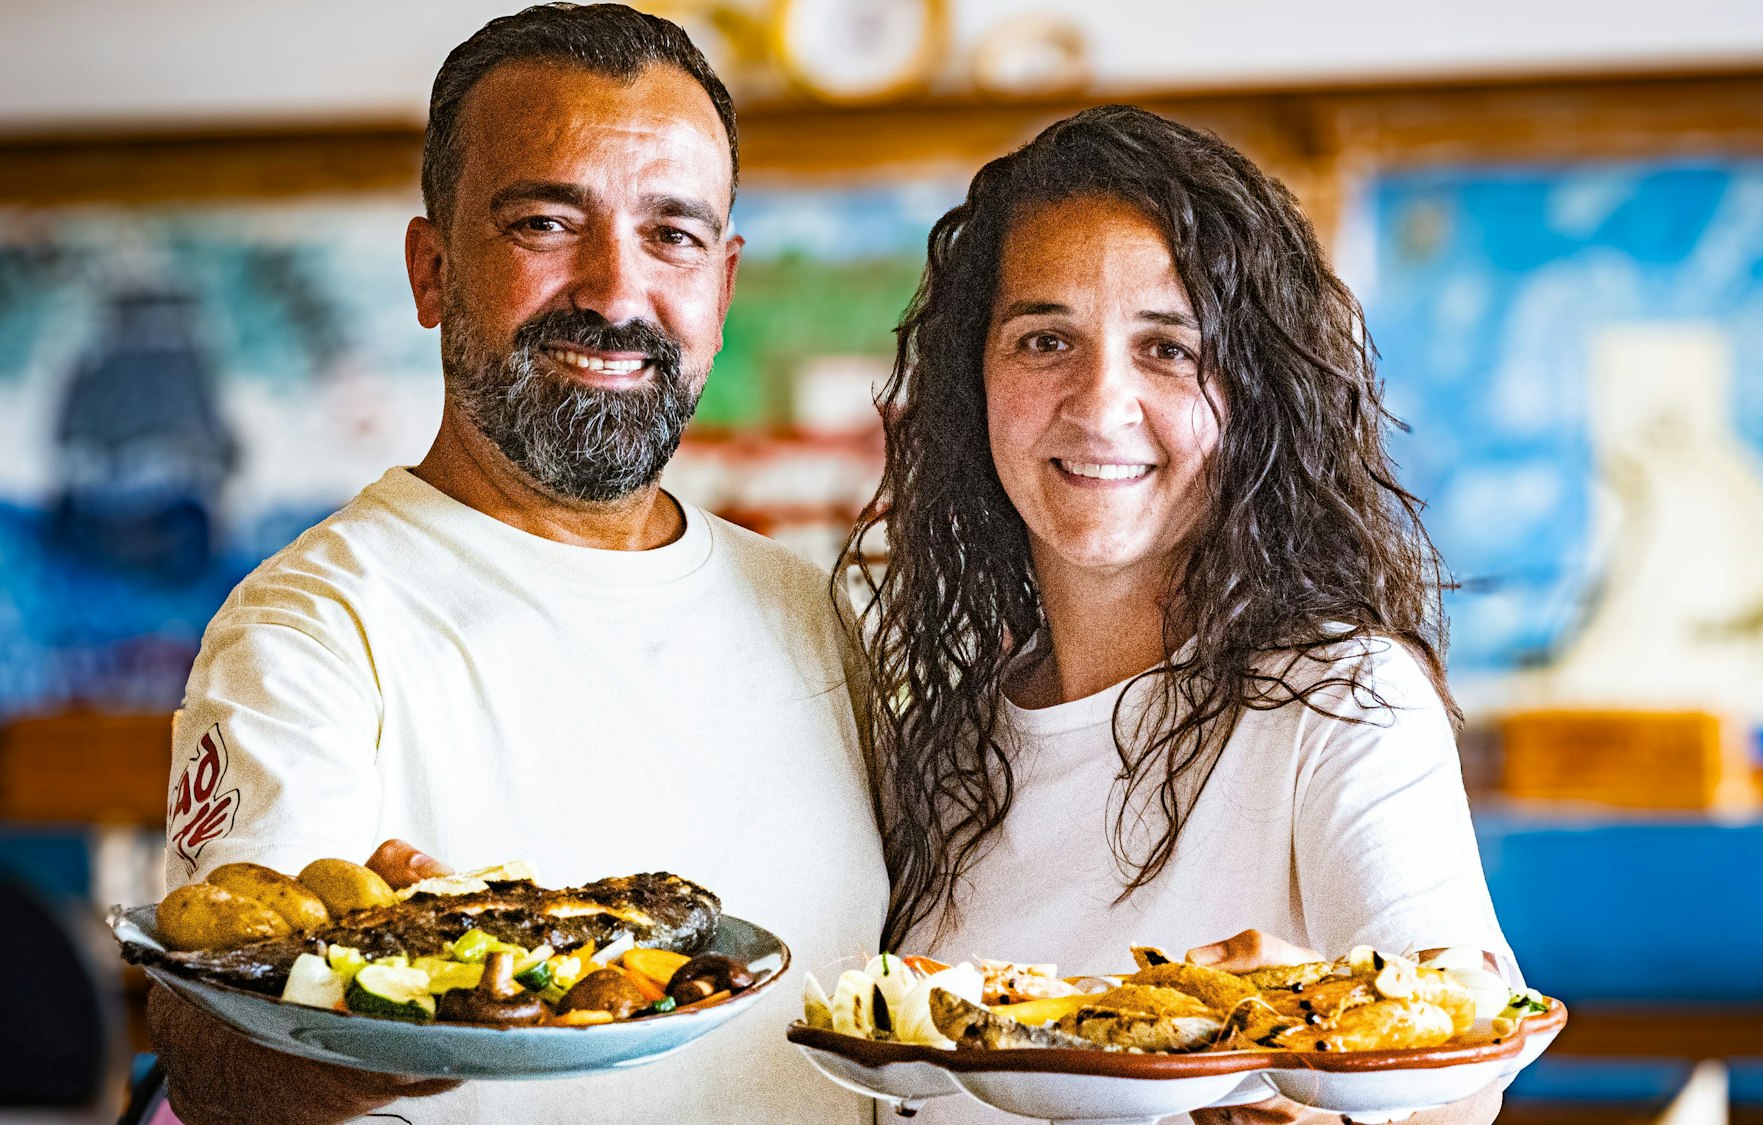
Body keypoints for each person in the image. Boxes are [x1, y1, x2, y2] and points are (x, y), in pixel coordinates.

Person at [146, 6, 885, 1123]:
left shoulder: (811, 609)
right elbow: (215, 1060)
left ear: (722, 291)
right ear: (433, 269)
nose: (615, 292)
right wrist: (403, 996)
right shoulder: (315, 627)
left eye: (672, 235)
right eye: (545, 222)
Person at [844, 105, 1513, 1124]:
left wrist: (1326, 1079)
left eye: (1166, 348)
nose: (1099, 402)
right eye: (1043, 338)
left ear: (1255, 395)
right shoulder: (945, 735)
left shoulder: (1340, 697)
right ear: (971, 383)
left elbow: (1457, 1060)